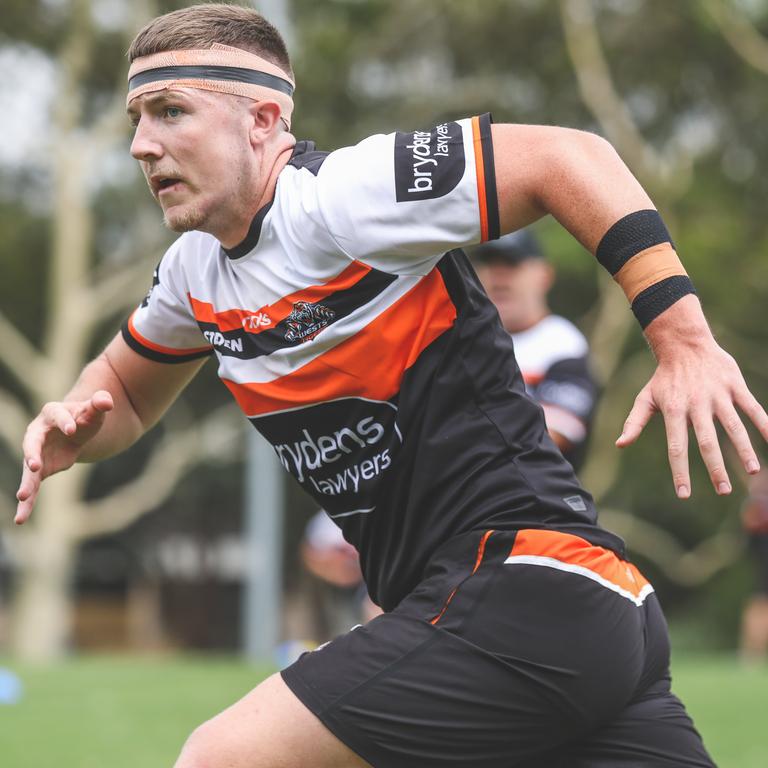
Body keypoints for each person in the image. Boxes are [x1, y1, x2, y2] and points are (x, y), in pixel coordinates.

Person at [14, 5, 768, 767]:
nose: (143, 144)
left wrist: (683, 340)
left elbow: (567, 157)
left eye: (173, 111)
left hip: (525, 590)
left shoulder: (343, 196)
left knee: (221, 759)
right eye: (138, 117)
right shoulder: (193, 276)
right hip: (582, 612)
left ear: (263, 119)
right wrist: (77, 426)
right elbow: (125, 390)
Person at [470, 229, 598, 472]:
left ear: (544, 276)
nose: (499, 276)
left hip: (537, 501)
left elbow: (547, 440)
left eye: (511, 263)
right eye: (489, 263)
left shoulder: (563, 344)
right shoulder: (460, 341)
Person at [740, 466, 768, 661]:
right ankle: (752, 653)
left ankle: (752, 654)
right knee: (760, 603)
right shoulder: (757, 505)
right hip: (764, 556)